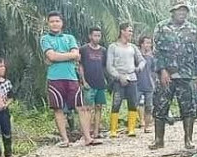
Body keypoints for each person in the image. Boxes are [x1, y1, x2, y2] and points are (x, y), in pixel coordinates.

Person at [152, 0, 197, 150]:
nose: (182, 12)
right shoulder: (161, 27)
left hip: (186, 75)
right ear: (173, 11)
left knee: (188, 108)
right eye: (179, 10)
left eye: (184, 10)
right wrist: (162, 70)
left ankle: (188, 140)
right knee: (160, 106)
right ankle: (158, 140)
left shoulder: (192, 29)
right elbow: (157, 52)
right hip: (166, 75)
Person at [40, 11, 94, 147]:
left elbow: (77, 55)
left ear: (62, 23)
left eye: (57, 21)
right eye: (52, 21)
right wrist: (69, 55)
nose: (54, 24)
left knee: (80, 107)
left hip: (71, 78)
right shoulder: (45, 39)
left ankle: (88, 138)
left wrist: (60, 56)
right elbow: (51, 56)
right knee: (58, 109)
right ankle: (65, 139)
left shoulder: (69, 37)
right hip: (54, 78)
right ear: (48, 23)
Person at [106, 22, 144, 137]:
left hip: (132, 77)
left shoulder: (133, 47)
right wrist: (118, 76)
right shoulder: (113, 47)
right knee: (116, 103)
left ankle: (131, 129)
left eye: (131, 31)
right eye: (129, 31)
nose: (131, 33)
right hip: (118, 78)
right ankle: (113, 129)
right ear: (122, 31)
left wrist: (139, 68)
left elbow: (142, 60)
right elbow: (109, 66)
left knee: (133, 103)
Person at [79, 26, 108, 139]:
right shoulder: (84, 49)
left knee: (99, 107)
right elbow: (80, 66)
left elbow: (104, 66)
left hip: (100, 82)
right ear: (90, 36)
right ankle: (87, 133)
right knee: (87, 108)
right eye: (95, 35)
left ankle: (96, 132)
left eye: (99, 36)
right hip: (88, 83)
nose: (97, 38)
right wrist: (83, 81)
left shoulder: (103, 50)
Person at [136, 35, 156, 133]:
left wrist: (154, 82)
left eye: (150, 43)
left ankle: (147, 126)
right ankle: (137, 123)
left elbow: (153, 71)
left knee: (149, 106)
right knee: (134, 105)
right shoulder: (136, 56)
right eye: (146, 43)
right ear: (141, 44)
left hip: (149, 85)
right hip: (137, 84)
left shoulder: (151, 57)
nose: (148, 45)